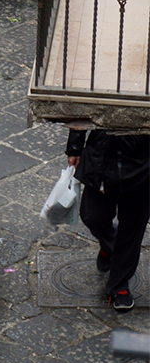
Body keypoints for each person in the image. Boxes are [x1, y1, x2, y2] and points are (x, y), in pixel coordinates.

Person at [66, 129, 150, 312]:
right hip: (102, 155)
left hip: (142, 160)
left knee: (132, 225)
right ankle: (109, 246)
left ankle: (119, 285)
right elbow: (84, 103)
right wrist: (74, 147)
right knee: (93, 216)